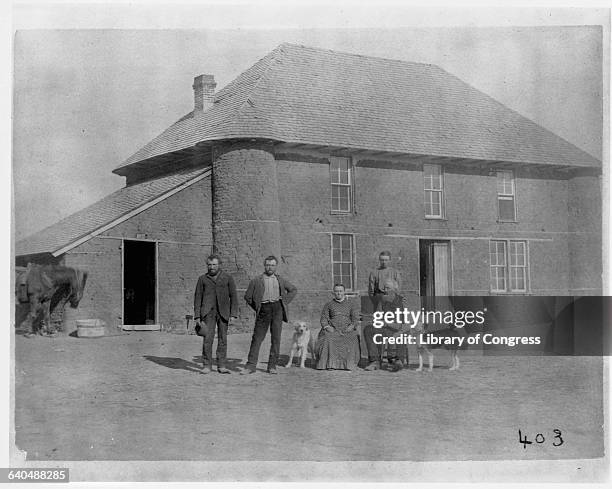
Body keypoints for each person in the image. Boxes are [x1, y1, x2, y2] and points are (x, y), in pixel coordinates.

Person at [241, 256, 297, 374]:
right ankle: (250, 366)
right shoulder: (257, 280)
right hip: (263, 309)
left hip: (277, 310)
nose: (270, 267)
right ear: (264, 266)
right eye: (268, 265)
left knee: (276, 339)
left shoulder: (280, 280)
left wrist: (284, 301)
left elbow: (293, 290)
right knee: (257, 338)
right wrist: (257, 307)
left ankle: (272, 366)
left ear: (276, 266)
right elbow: (247, 296)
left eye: (272, 265)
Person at [193, 254, 238, 374]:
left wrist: (233, 314)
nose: (212, 267)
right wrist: (197, 315)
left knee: (223, 339)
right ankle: (207, 365)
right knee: (208, 339)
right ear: (207, 265)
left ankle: (221, 365)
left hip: (223, 312)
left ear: (219, 265)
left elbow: (233, 296)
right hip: (208, 313)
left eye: (214, 264)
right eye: (210, 264)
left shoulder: (228, 278)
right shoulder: (202, 279)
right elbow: (197, 297)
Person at [362, 278, 409, 371]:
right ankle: (374, 361)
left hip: (397, 329)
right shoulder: (382, 300)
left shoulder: (401, 302)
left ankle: (395, 360)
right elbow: (378, 314)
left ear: (394, 289)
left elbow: (400, 324)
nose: (385, 290)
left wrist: (386, 322)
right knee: (368, 329)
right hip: (384, 328)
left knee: (399, 335)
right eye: (384, 288)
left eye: (387, 288)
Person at [315, 284, 361, 371]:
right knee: (328, 338)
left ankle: (349, 365)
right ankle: (330, 364)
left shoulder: (351, 304)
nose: (338, 293)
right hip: (333, 329)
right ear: (333, 293)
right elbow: (324, 318)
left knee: (352, 337)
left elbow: (355, 318)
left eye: (340, 291)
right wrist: (327, 326)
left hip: (347, 329)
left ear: (344, 292)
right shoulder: (328, 305)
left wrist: (352, 326)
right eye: (336, 291)